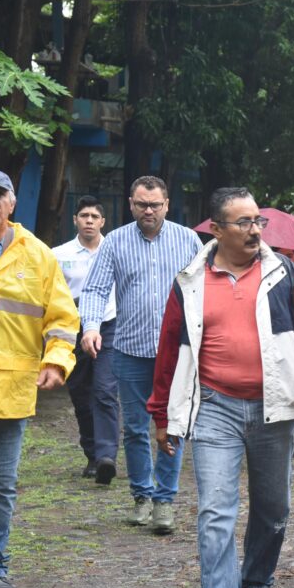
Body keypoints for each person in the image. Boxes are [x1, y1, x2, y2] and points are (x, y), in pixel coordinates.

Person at [147, 188, 294, 588]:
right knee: (215, 510)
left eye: (258, 222)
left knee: (273, 509)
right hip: (214, 407)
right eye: (244, 222)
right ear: (217, 229)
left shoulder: (287, 275)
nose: (255, 230)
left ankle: (256, 579)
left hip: (274, 409)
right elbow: (170, 347)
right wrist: (160, 413)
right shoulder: (189, 280)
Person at [79, 176, 202, 534]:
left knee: (173, 427)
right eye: (141, 204)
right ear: (131, 204)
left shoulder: (187, 239)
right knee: (134, 428)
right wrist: (90, 326)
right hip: (129, 349)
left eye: (155, 205)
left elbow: (203, 289)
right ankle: (142, 496)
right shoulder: (115, 242)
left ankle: (165, 500)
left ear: (167, 204)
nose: (148, 211)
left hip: (176, 352)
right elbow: (96, 288)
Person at [0, 167, 79, 588]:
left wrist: (57, 362)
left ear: (11, 203)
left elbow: (63, 320)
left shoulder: (37, 255)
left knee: (0, 485)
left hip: (10, 392)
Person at [52, 196, 119, 483]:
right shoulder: (59, 254)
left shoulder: (116, 250)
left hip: (110, 325)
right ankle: (92, 453)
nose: (89, 220)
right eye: (84, 215)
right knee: (80, 392)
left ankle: (107, 456)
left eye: (94, 216)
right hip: (72, 327)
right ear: (75, 220)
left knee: (104, 390)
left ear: (103, 221)